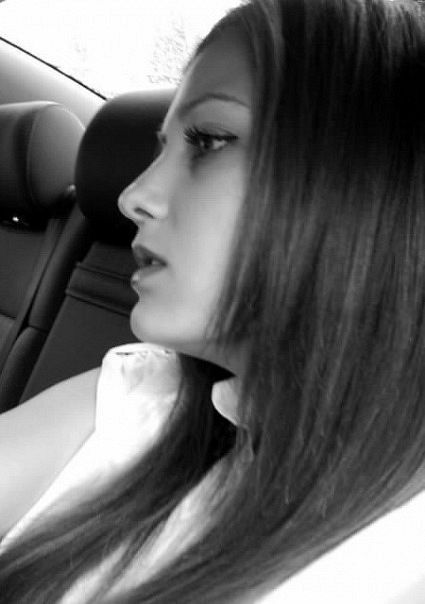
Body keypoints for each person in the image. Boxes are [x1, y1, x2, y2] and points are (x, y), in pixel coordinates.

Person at [1, 0, 425, 601]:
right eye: (161, 148)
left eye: (209, 140)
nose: (133, 196)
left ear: (377, 184)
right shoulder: (136, 401)